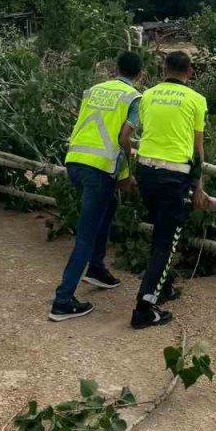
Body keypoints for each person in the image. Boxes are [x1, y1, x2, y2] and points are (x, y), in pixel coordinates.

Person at [49, 50, 144, 322]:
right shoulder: (134, 98)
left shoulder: (93, 90)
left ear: (115, 69)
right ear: (140, 75)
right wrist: (126, 172)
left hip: (75, 161)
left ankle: (97, 267)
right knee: (85, 236)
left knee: (109, 203)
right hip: (98, 170)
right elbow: (124, 137)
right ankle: (63, 300)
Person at [131, 50, 211, 329]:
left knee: (159, 232)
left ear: (163, 69)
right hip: (174, 176)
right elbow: (197, 147)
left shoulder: (147, 96)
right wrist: (199, 186)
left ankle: (162, 287)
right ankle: (144, 307)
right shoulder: (196, 100)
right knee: (167, 241)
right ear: (190, 72)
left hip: (146, 172)